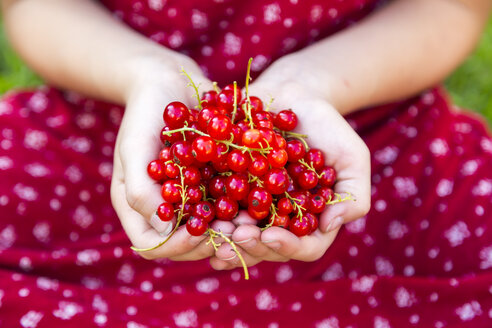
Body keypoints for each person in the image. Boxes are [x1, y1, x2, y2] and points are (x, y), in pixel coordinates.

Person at [0, 0, 491, 326]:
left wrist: (314, 81)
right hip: (98, 136)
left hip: (370, 132)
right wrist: (142, 74)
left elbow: (450, 7)